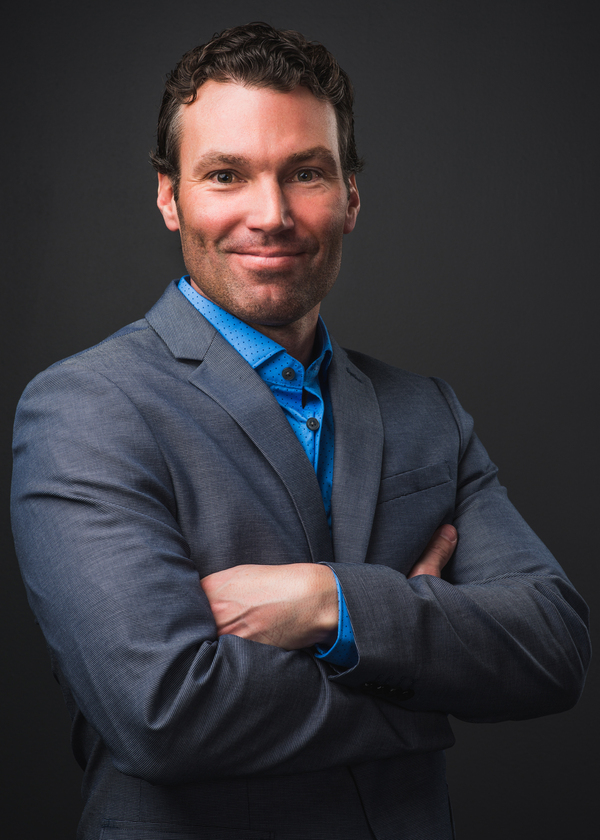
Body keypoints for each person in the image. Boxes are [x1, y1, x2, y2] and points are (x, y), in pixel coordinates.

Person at [11, 22, 590, 840]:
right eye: (226, 175)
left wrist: (330, 603)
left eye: (305, 173)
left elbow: (554, 649)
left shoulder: (427, 411)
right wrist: (424, 682)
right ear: (170, 196)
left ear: (351, 196)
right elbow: (165, 714)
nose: (272, 215)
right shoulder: (85, 408)